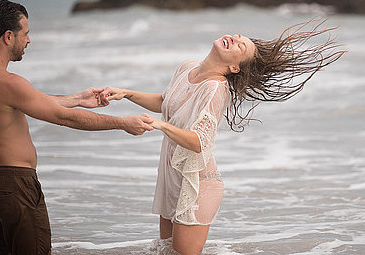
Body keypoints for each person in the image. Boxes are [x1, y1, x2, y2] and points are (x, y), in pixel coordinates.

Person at [101, 19, 345, 255]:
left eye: (241, 46)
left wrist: (161, 126)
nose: (235, 38)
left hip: (196, 183)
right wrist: (127, 93)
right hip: (172, 177)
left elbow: (199, 142)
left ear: (235, 68)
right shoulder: (187, 67)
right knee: (165, 253)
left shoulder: (216, 88)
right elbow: (166, 101)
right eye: (239, 37)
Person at [0, 0, 153, 255]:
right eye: (25, 34)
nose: (29, 40)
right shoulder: (10, 83)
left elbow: (26, 102)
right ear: (8, 36)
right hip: (16, 185)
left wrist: (78, 99)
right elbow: (64, 118)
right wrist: (123, 123)